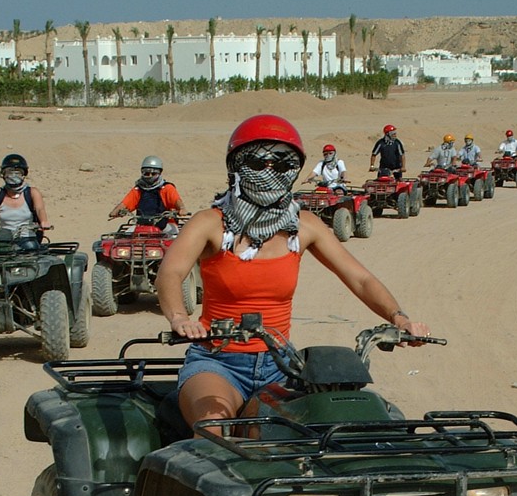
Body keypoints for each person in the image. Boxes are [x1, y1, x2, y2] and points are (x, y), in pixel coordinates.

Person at [155, 114, 428, 433]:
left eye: (282, 165)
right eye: (258, 163)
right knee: (215, 428)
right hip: (217, 360)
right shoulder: (211, 224)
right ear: (237, 167)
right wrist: (179, 318)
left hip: (281, 364)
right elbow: (170, 274)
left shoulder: (304, 226)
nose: (270, 173)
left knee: (307, 434)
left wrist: (399, 318)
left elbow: (360, 278)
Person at [108, 155, 188, 220]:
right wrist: (116, 211)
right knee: (125, 237)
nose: (150, 176)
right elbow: (125, 203)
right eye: (146, 173)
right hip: (142, 224)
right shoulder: (138, 189)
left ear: (160, 173)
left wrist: (182, 208)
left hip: (166, 223)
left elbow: (176, 200)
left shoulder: (167, 188)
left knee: (177, 238)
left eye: (153, 174)